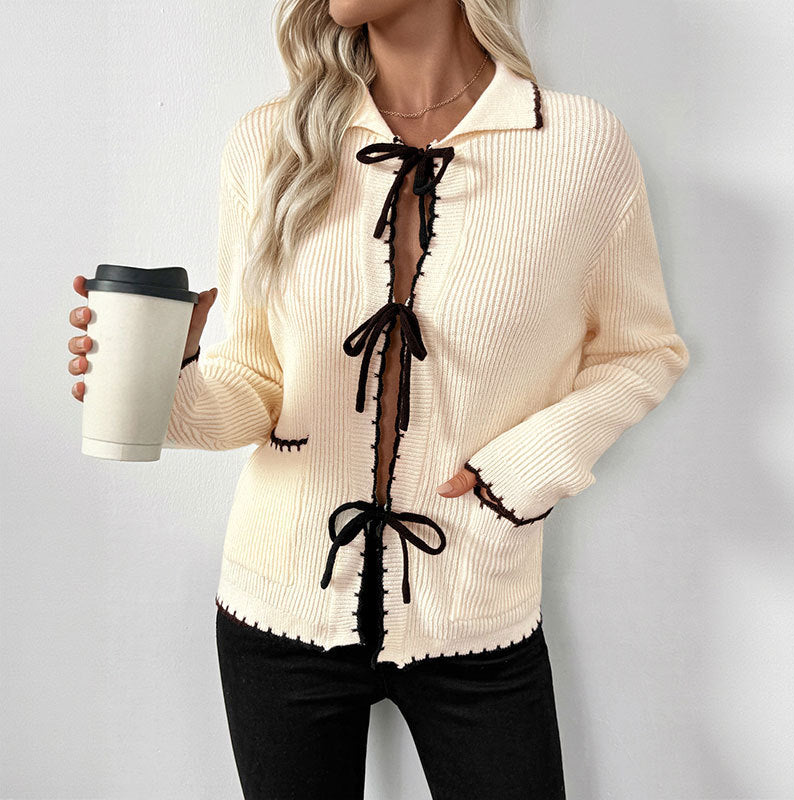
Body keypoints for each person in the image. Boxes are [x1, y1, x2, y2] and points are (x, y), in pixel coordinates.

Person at [68, 1, 690, 797]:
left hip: (478, 609)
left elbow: (641, 351)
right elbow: (256, 385)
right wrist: (171, 377)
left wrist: (524, 469)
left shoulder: (575, 143)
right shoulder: (273, 143)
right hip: (276, 614)